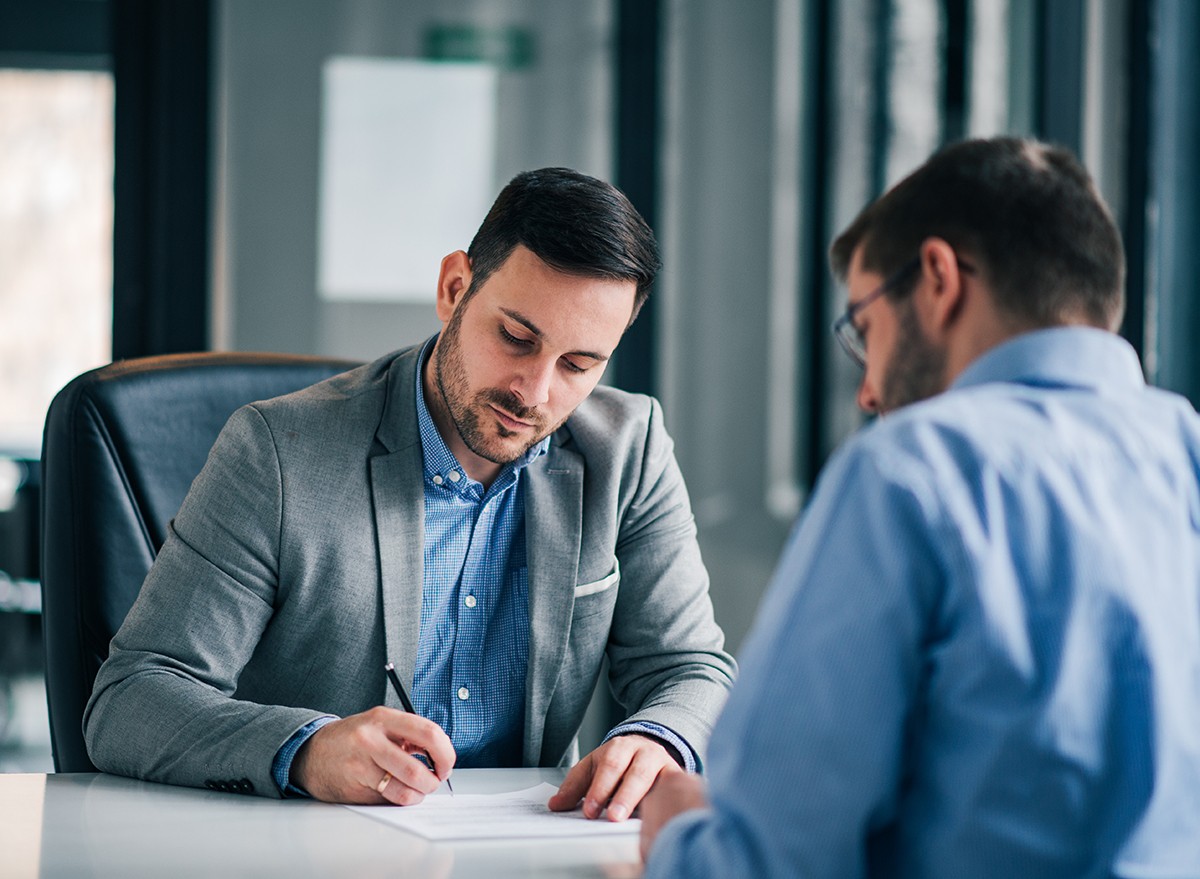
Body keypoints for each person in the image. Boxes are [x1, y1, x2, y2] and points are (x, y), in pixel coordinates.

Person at [85, 167, 736, 817]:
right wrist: (307, 750)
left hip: (532, 851)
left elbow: (691, 669)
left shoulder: (629, 449)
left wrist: (659, 738)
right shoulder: (275, 452)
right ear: (455, 288)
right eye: (516, 337)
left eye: (578, 364)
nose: (535, 393)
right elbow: (131, 699)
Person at [639, 137, 1200, 877]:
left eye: (865, 327)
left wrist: (677, 832)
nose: (868, 390)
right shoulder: (1185, 452)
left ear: (937, 278)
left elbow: (772, 861)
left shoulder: (909, 471)